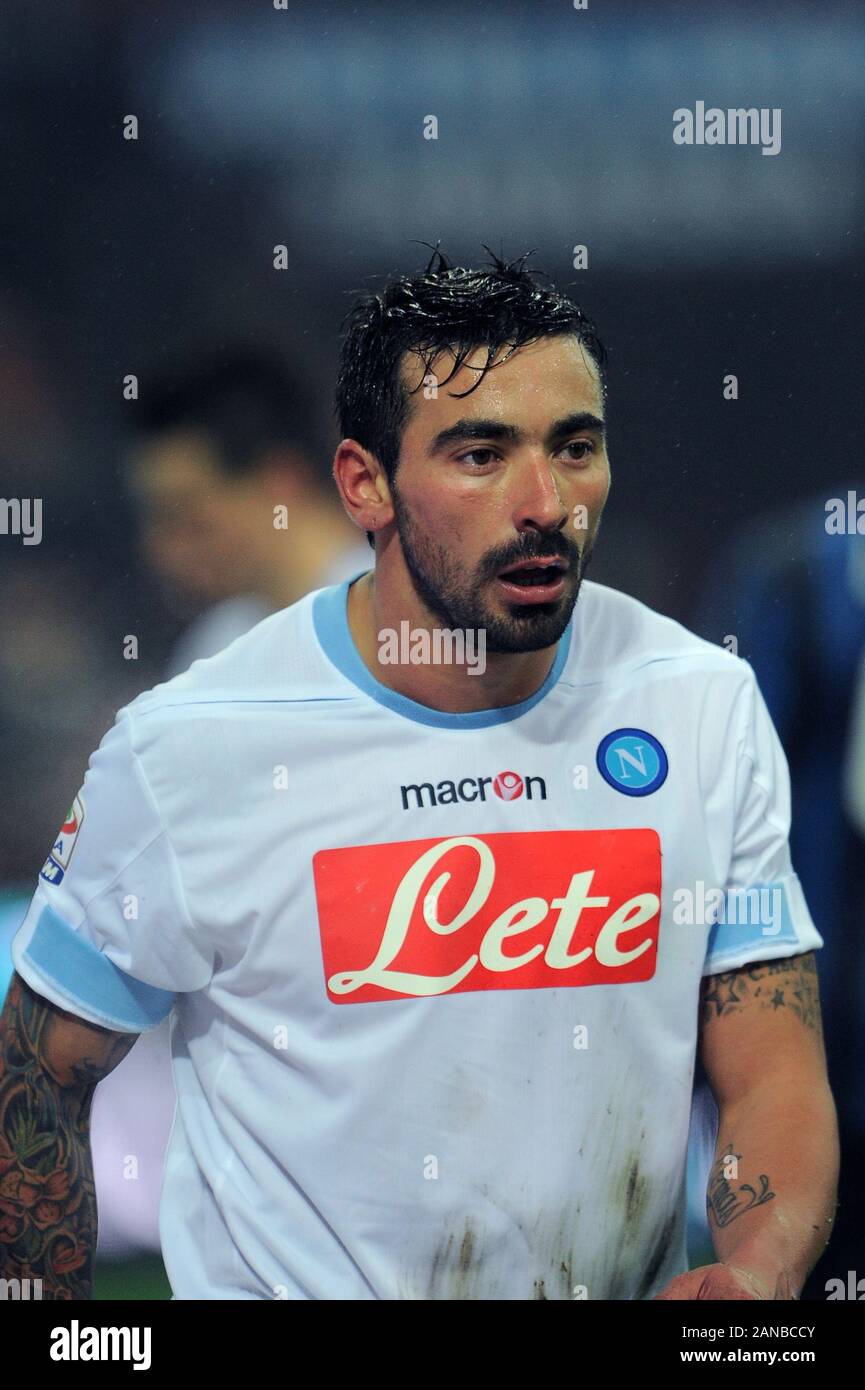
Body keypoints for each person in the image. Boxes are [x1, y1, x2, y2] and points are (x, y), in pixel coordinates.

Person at [1, 248, 838, 1300]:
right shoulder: (189, 747)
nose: (546, 501)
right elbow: (36, 1075)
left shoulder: (700, 704)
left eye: (574, 446)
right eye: (481, 454)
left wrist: (756, 1271)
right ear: (364, 483)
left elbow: (770, 1067)